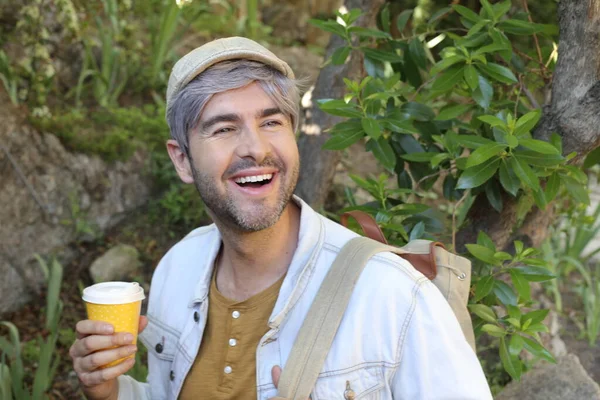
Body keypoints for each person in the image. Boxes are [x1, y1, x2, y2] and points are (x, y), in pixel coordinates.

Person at [69, 37, 493, 400]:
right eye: (223, 128)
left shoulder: (393, 296)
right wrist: (111, 391)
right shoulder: (176, 269)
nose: (255, 147)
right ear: (181, 159)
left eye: (271, 121)